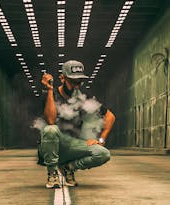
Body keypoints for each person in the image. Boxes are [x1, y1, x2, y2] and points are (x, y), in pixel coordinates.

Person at [38, 59, 116, 188]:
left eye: (80, 81)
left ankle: (69, 168)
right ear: (62, 78)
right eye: (73, 82)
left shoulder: (84, 97)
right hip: (53, 145)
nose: (77, 85)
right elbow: (50, 120)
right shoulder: (51, 95)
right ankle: (52, 173)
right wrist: (50, 90)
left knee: (103, 153)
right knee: (50, 130)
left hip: (75, 145)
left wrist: (100, 139)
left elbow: (110, 116)